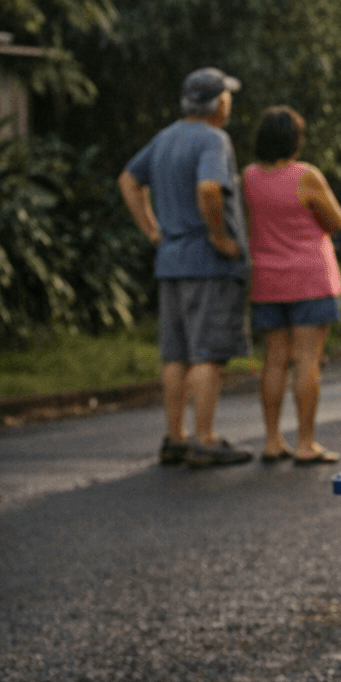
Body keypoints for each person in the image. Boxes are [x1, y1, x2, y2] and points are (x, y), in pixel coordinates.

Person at [119, 67, 253, 468]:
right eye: (226, 97)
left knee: (175, 354)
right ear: (219, 104)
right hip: (207, 263)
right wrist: (220, 238)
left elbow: (128, 179)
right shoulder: (214, 139)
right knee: (207, 353)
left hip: (171, 260)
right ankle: (205, 438)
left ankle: (175, 436)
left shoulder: (165, 137)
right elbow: (209, 188)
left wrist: (152, 230)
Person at [242, 106, 341, 465]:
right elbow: (336, 220)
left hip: (266, 278)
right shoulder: (306, 175)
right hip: (310, 278)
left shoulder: (249, 177)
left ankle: (272, 441)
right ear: (295, 141)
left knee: (273, 361)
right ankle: (305, 443)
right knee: (307, 360)